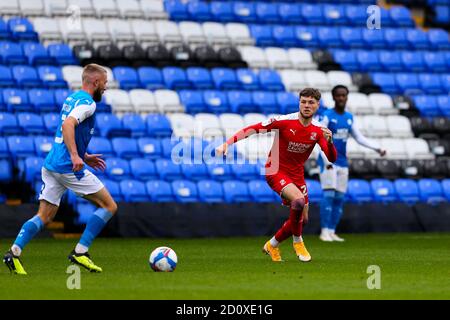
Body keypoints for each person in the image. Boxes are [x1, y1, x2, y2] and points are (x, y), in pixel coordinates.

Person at [3, 64, 117, 274]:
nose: (106, 87)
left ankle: (13, 253)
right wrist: (75, 156)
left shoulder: (72, 98)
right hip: (67, 166)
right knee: (108, 206)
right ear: (96, 82)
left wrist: (84, 155)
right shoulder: (89, 104)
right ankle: (80, 252)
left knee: (45, 216)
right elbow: (68, 126)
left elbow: (68, 129)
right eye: (105, 82)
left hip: (52, 164)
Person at [216, 88, 337, 262]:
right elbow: (253, 129)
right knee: (298, 201)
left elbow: (332, 158)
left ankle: (271, 245)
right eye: (303, 101)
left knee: (303, 219)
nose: (307, 105)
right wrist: (227, 144)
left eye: (311, 102)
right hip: (275, 170)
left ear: (318, 105)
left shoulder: (319, 130)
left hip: (296, 175)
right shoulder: (284, 121)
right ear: (299, 103)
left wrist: (330, 142)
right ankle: (298, 242)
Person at [318, 85, 386, 242]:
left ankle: (332, 230)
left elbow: (359, 137)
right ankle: (324, 232)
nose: (341, 98)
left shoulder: (349, 117)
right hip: (328, 160)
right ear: (334, 97)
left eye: (344, 95)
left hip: (342, 161)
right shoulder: (327, 116)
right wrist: (327, 160)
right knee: (329, 194)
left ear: (347, 97)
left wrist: (377, 148)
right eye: (338, 95)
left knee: (339, 197)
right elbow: (319, 139)